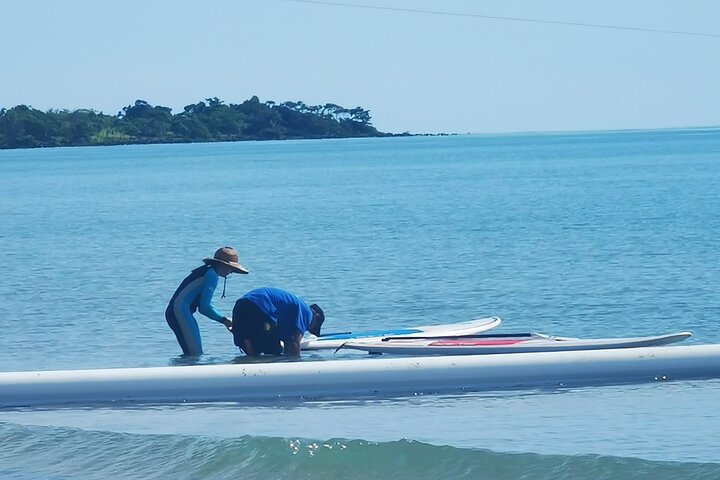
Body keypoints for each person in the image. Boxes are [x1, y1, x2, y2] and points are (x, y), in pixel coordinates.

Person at [166, 247, 248, 356]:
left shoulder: (206, 270)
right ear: (222, 265)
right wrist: (224, 320)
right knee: (195, 354)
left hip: (177, 312)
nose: (231, 271)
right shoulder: (212, 275)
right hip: (179, 312)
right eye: (230, 268)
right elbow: (204, 308)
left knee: (191, 353)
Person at [232, 287, 325, 357]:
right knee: (273, 352)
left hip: (241, 305)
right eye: (312, 327)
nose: (307, 329)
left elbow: (288, 342)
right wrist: (296, 366)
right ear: (316, 316)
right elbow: (295, 342)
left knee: (253, 350)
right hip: (260, 305)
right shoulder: (307, 312)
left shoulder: (288, 316)